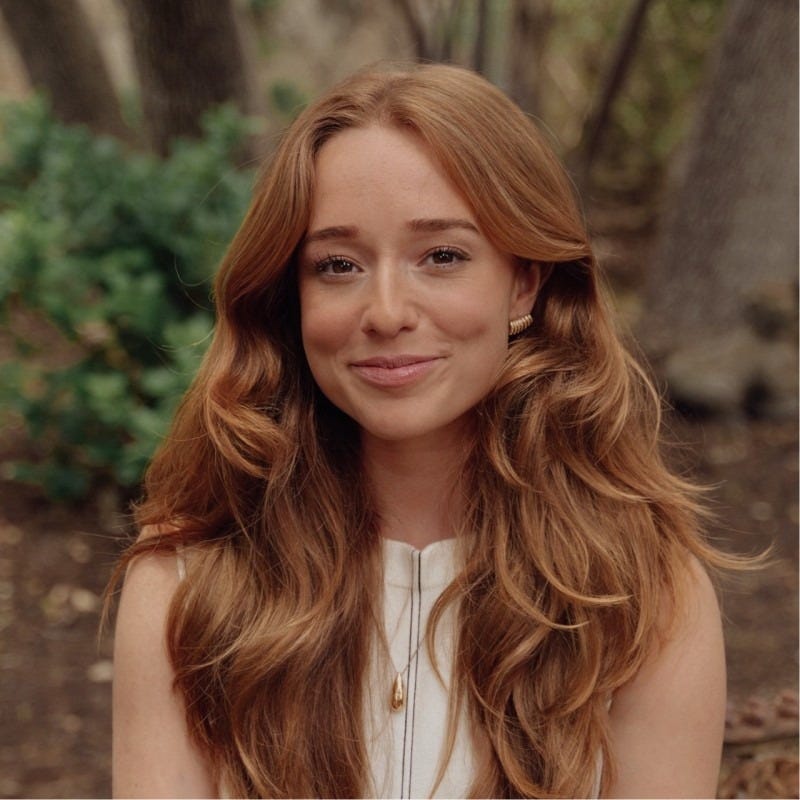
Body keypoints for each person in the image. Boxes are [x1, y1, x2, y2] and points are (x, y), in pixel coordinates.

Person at [110, 63, 734, 798]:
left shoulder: (646, 594)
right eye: (337, 265)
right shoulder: (186, 586)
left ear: (524, 282)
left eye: (442, 256)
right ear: (290, 296)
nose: (386, 311)